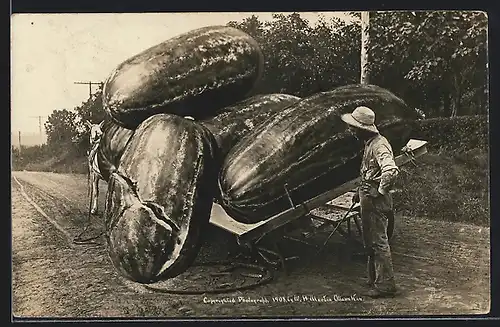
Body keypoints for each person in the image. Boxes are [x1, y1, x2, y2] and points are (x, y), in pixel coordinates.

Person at [340, 106, 400, 298]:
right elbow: (369, 172)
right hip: (368, 199)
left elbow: (390, 171)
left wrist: (378, 190)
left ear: (363, 128)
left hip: (377, 201)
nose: (351, 130)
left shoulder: (379, 145)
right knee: (371, 241)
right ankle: (375, 279)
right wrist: (361, 191)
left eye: (353, 127)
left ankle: (386, 285)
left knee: (379, 242)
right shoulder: (369, 143)